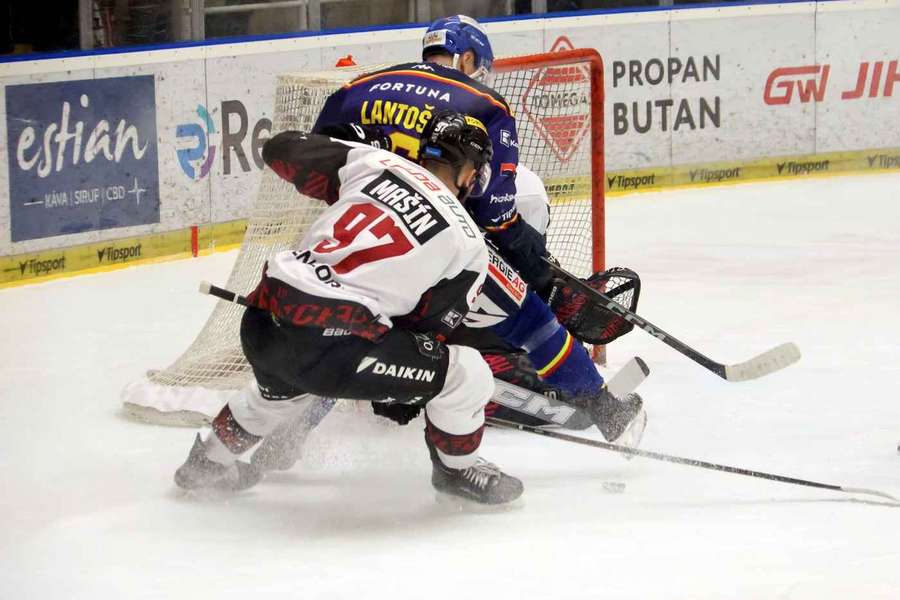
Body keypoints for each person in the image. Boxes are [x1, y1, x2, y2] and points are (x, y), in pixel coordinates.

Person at [174, 110, 523, 506]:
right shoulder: (469, 242)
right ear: (468, 174)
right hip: (334, 352)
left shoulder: (375, 162)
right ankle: (457, 470)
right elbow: (425, 329)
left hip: (262, 320)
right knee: (468, 373)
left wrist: (351, 148)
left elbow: (280, 149)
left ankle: (206, 463)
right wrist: (398, 389)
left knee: (276, 396)